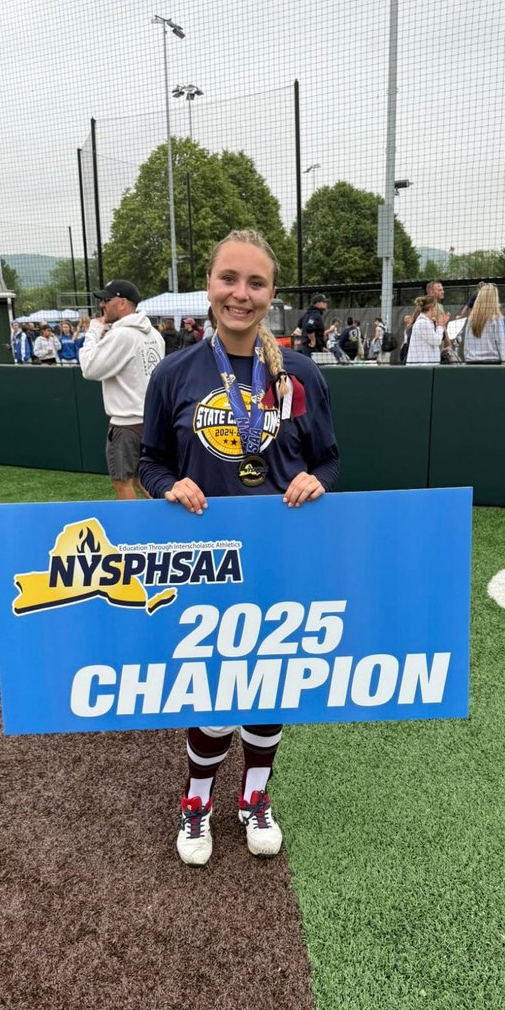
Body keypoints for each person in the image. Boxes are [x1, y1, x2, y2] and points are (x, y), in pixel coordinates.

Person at [138, 228, 340, 867]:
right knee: (213, 690)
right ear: (209, 284)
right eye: (229, 278)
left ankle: (255, 796)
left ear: (272, 294)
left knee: (268, 684)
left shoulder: (300, 374)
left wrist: (317, 480)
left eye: (256, 282)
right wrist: (169, 487)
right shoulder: (174, 373)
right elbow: (150, 462)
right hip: (205, 563)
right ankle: (196, 800)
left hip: (281, 561)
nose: (240, 294)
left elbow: (329, 460)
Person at [79, 277, 165, 500]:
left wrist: (93, 331)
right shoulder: (154, 334)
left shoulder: (121, 334)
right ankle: (164, 520)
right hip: (152, 422)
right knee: (144, 479)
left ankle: (134, 524)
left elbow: (89, 368)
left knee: (122, 483)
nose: (102, 305)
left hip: (127, 425)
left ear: (122, 303)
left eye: (106, 300)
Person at [462, 283, 505, 363]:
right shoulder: (497, 319)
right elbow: (502, 346)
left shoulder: (471, 319)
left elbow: (466, 347)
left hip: (471, 363)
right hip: (492, 365)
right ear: (494, 299)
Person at [406, 295, 450, 363]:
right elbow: (436, 341)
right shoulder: (422, 322)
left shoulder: (427, 322)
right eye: (436, 306)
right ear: (431, 306)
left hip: (427, 365)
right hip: (421, 366)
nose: (438, 309)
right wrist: (440, 325)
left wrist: (441, 324)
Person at [298, 292, 329, 358]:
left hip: (306, 347)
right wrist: (313, 340)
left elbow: (299, 325)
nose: (326, 304)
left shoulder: (307, 313)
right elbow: (309, 327)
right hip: (312, 349)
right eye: (324, 302)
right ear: (317, 303)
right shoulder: (316, 314)